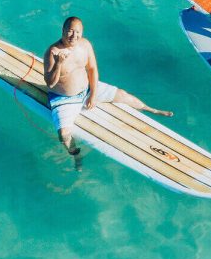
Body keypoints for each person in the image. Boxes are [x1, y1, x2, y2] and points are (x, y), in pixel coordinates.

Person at [44, 16, 172, 168]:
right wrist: (58, 64)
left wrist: (92, 94)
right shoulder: (53, 52)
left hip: (87, 89)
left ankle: (151, 109)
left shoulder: (85, 45)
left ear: (82, 33)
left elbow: (92, 69)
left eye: (77, 32)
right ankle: (76, 157)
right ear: (63, 31)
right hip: (65, 98)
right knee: (64, 134)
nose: (74, 36)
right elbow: (50, 83)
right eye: (70, 31)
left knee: (122, 95)